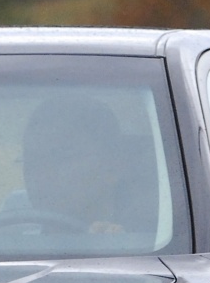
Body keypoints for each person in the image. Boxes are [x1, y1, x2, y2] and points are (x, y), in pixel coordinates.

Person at [20, 96, 139, 234]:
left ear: (113, 167)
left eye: (61, 158)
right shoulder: (8, 246)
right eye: (32, 160)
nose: (41, 174)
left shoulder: (148, 245)